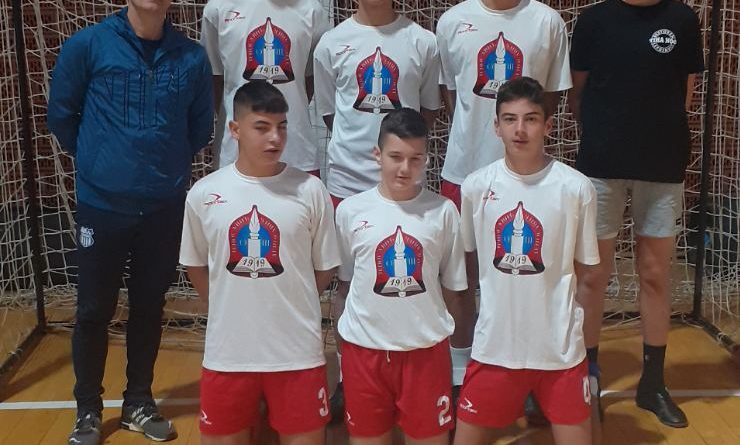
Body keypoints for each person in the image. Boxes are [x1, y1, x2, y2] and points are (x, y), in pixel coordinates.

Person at [47, 1, 213, 443]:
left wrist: (160, 169)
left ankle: (138, 402)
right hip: (102, 205)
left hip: (163, 206)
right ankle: (87, 409)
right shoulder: (88, 46)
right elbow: (61, 115)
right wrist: (101, 161)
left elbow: (199, 129)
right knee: (93, 309)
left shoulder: (192, 58)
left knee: (149, 305)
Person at [179, 81, 341, 445]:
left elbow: (324, 267)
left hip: (298, 354)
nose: (275, 138)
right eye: (262, 127)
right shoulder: (204, 194)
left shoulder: (310, 190)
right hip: (228, 354)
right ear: (235, 130)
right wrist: (225, 306)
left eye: (281, 126)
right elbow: (195, 265)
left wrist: (292, 297)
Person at [569, 0, 704, 428]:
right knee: (592, 275)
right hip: (601, 166)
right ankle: (587, 381)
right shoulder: (593, 20)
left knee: (655, 274)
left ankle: (653, 385)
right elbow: (577, 96)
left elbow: (686, 94)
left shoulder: (682, 19)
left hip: (662, 166)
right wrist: (609, 135)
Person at [312, 0, 443, 418]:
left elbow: (426, 113)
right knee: (347, 284)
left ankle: (409, 375)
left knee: (408, 277)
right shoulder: (331, 43)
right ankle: (348, 379)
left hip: (405, 181)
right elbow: (330, 113)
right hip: (348, 181)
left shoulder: (422, 41)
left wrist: (396, 160)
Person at [453, 77, 599, 445]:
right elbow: (469, 267)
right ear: (496, 126)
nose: (520, 129)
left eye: (531, 119)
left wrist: (570, 328)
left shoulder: (576, 188)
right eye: (510, 119)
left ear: (548, 126)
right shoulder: (475, 187)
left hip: (559, 352)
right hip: (495, 348)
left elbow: (585, 272)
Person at [334, 108, 468, 445]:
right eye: (395, 157)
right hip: (364, 353)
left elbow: (454, 290)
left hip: (426, 354)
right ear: (377, 155)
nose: (405, 168)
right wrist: (342, 357)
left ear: (426, 159)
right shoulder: (350, 211)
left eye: (415, 159)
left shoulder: (443, 211)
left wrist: (456, 363)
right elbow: (346, 286)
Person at [435, 0, 572, 210]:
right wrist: (469, 126)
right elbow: (449, 87)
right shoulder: (451, 21)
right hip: (464, 170)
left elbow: (551, 95)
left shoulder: (548, 22)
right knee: (459, 233)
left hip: (528, 174)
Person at [200, 0, 330, 172]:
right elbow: (214, 80)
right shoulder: (218, 7)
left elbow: (310, 80)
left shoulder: (312, 9)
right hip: (235, 155)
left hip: (296, 154)